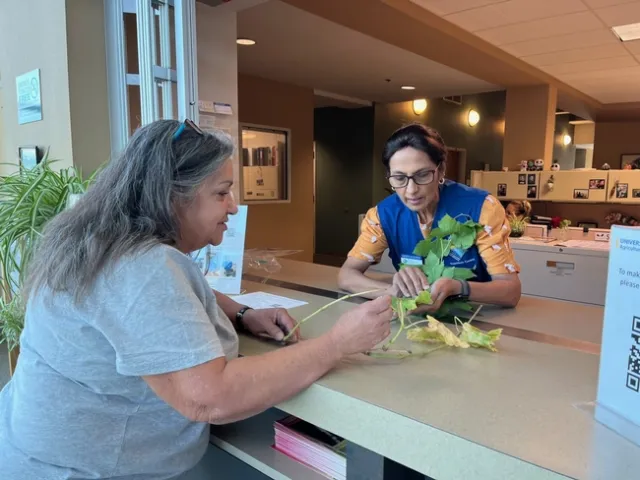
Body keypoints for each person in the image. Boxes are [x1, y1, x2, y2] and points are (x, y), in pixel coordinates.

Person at [0, 119, 393, 479]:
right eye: (222, 193)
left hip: (32, 451)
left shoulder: (101, 240)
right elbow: (209, 398)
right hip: (81, 470)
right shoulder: (143, 267)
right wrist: (338, 343)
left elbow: (147, 304)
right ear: (172, 196)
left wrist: (240, 313)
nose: (234, 207)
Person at [338, 123, 521, 311]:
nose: (411, 190)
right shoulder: (382, 216)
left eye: (423, 175)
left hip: (476, 316)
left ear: (441, 170)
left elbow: (511, 291)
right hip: (415, 317)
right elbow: (347, 275)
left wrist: (457, 287)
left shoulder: (481, 207)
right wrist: (392, 291)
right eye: (399, 178)